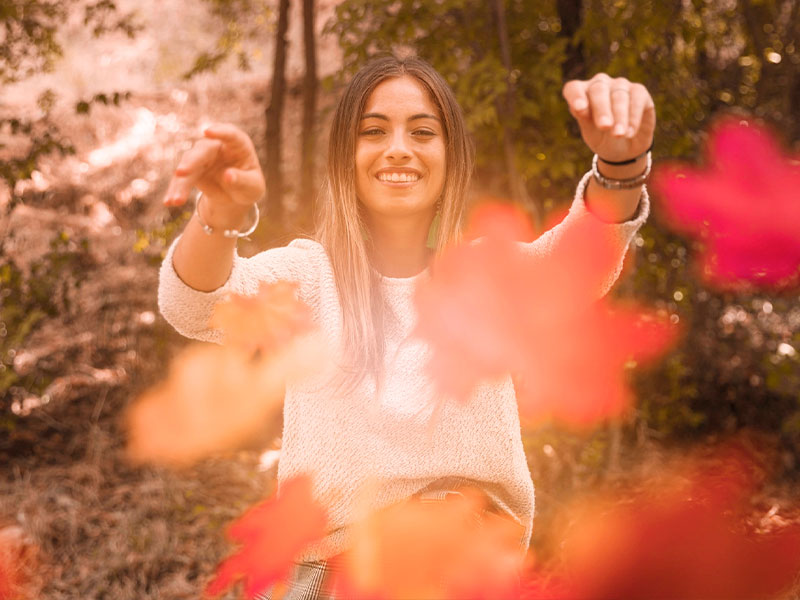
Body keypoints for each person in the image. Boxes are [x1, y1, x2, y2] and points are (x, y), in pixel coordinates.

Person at [158, 55, 654, 599]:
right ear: (345, 156)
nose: (398, 147)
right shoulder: (308, 277)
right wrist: (221, 216)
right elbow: (196, 306)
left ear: (450, 156)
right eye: (374, 131)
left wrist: (619, 166)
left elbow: (579, 264)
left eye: (422, 131)